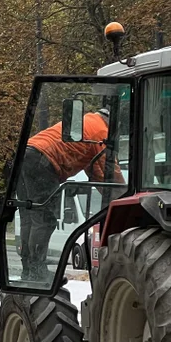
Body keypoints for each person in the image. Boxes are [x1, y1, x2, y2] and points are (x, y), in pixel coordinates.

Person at [16, 107, 123, 280]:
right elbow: (108, 175)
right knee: (45, 219)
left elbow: (94, 170)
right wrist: (124, 196)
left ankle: (28, 270)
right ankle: (37, 271)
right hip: (43, 161)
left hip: (25, 155)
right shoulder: (102, 133)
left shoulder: (88, 123)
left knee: (30, 216)